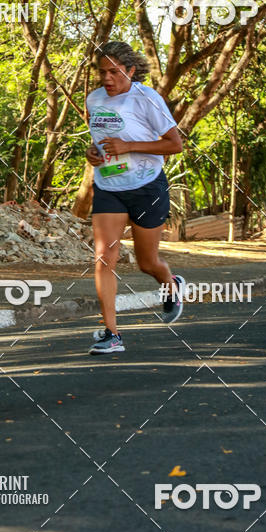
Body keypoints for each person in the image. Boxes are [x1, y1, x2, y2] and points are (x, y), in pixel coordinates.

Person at [84, 41, 185, 354]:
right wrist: (93, 155)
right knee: (105, 257)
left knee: (147, 262)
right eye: (102, 72)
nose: (107, 78)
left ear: (129, 70)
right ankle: (111, 334)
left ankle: (170, 285)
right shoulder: (94, 99)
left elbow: (174, 144)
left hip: (146, 188)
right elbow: (99, 143)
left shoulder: (146, 98)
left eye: (114, 72)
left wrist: (130, 147)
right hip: (109, 187)